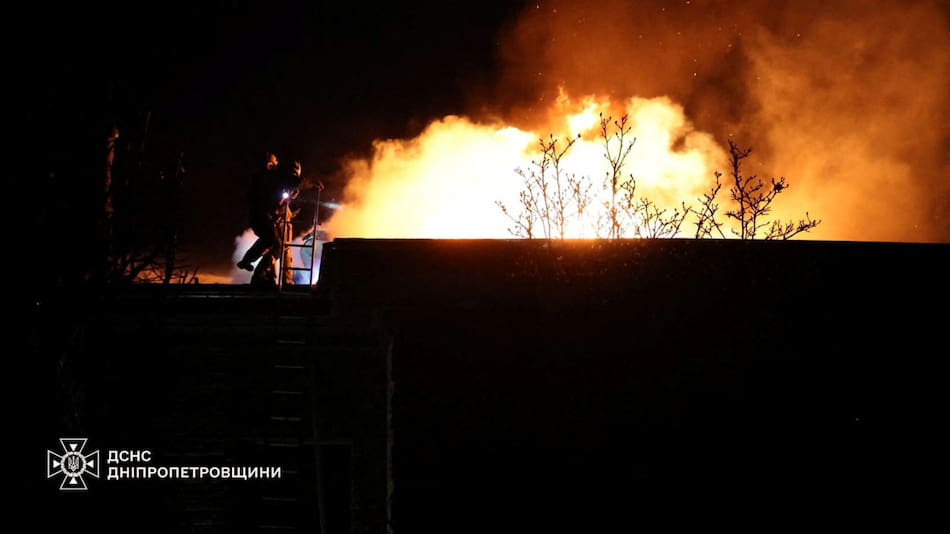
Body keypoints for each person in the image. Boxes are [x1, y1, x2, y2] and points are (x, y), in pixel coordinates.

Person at [236, 153, 282, 272]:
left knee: (274, 242)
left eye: (271, 164)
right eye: (268, 164)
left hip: (261, 216)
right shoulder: (264, 179)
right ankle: (259, 270)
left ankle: (250, 263)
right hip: (260, 216)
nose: (269, 166)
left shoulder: (266, 178)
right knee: (272, 240)